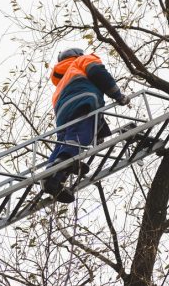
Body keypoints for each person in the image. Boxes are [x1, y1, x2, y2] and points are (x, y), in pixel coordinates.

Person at [43, 48, 130, 203]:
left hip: (62, 112)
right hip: (84, 99)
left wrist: (100, 133)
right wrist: (118, 95)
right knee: (81, 133)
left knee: (62, 141)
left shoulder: (61, 82)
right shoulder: (82, 60)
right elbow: (98, 74)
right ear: (77, 55)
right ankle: (67, 160)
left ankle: (51, 176)